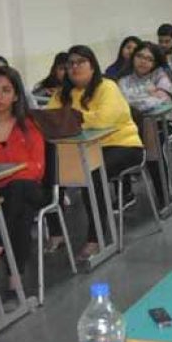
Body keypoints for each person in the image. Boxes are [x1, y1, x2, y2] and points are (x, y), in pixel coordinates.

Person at [47, 45, 144, 259]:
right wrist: (75, 118)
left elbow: (103, 120)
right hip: (83, 150)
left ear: (92, 66)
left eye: (80, 62)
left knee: (92, 173)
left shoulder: (107, 87)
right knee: (51, 170)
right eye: (70, 64)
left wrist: (69, 118)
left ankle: (97, 237)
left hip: (123, 145)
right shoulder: (62, 93)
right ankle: (56, 232)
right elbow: (49, 120)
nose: (74, 67)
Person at [0, 66, 45, 283]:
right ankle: (16, 277)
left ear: (16, 96)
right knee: (19, 208)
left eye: (6, 90)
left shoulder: (29, 125)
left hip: (30, 189)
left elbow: (36, 168)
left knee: (19, 189)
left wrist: (7, 178)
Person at [119, 41, 172, 204]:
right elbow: (122, 101)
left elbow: (162, 101)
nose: (143, 61)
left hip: (169, 123)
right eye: (140, 56)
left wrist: (138, 100)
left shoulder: (162, 75)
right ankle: (126, 195)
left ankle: (167, 196)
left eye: (149, 59)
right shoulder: (124, 80)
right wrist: (149, 95)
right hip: (137, 127)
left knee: (157, 143)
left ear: (155, 62)